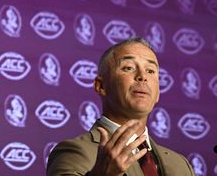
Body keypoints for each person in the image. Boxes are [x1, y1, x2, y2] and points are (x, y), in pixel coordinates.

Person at [46, 38, 195, 176]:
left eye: (150, 71)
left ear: (157, 93)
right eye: (128, 68)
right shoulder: (75, 152)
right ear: (101, 86)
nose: (142, 76)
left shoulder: (181, 165)